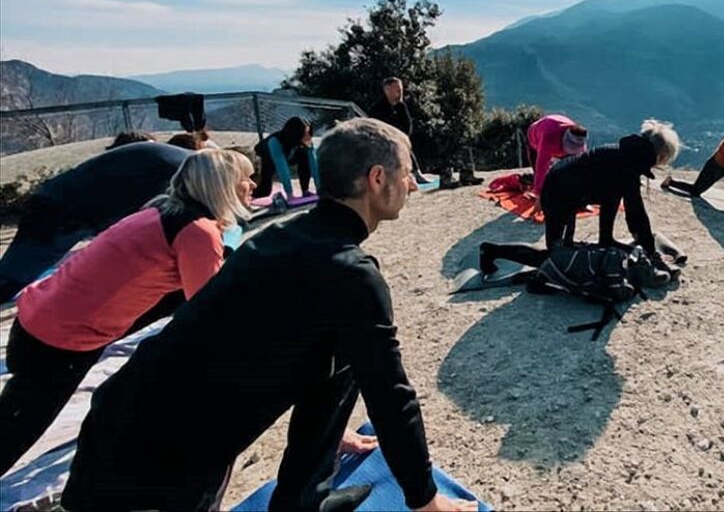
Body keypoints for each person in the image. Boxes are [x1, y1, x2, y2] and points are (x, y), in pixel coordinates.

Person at [62, 118, 477, 512]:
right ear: (377, 179)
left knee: (349, 348)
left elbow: (313, 357)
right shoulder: (350, 274)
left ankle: (304, 499)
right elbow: (391, 396)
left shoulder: (287, 235)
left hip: (125, 414)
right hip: (156, 457)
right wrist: (424, 497)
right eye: (406, 173)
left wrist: (329, 435)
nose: (411, 184)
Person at [0, 150, 255, 475]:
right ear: (221, 186)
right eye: (243, 178)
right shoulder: (196, 232)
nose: (251, 183)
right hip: (59, 341)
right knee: (14, 432)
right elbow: (207, 309)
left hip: (36, 319)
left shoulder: (159, 209)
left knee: (14, 416)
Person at [0, 141, 191, 302]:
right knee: (12, 277)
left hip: (69, 202)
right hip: (62, 211)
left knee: (17, 271)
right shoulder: (180, 175)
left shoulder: (185, 163)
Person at [481, 120, 680, 273]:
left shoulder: (627, 156)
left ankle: (606, 240)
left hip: (570, 189)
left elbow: (617, 201)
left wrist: (628, 243)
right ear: (658, 155)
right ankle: (491, 251)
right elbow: (636, 212)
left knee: (613, 195)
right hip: (558, 192)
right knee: (554, 256)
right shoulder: (628, 164)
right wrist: (651, 252)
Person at [368, 76, 433, 184]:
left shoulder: (401, 106)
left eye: (401, 89)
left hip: (397, 140)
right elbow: (375, 129)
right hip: (381, 143)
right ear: (387, 90)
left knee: (404, 145)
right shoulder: (377, 109)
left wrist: (401, 137)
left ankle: (417, 174)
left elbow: (408, 125)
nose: (400, 92)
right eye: (397, 89)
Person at [526, 114, 588, 213]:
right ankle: (542, 194)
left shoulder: (579, 138)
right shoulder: (549, 137)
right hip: (536, 136)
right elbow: (541, 166)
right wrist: (539, 196)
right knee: (542, 174)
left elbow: (583, 167)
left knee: (572, 171)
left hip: (557, 131)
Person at [254, 116, 320, 199]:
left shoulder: (306, 141)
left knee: (305, 157)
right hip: (267, 156)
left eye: (309, 132)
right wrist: (289, 194)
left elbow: (314, 164)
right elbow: (282, 167)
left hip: (288, 155)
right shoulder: (275, 141)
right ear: (296, 133)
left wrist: (319, 188)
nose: (308, 136)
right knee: (264, 191)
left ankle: (305, 190)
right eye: (304, 133)